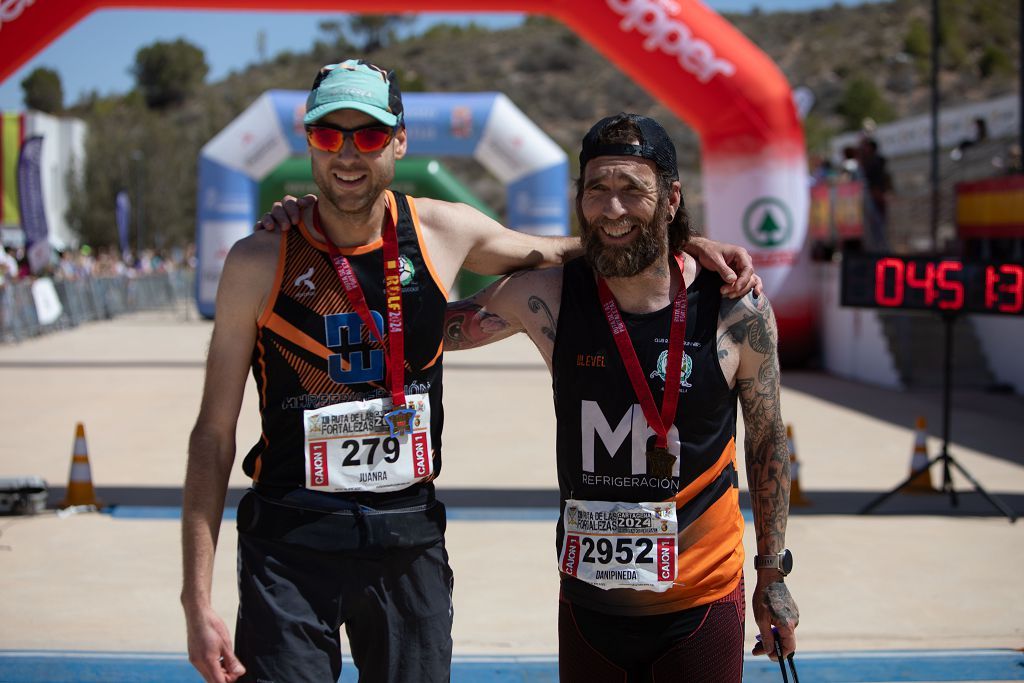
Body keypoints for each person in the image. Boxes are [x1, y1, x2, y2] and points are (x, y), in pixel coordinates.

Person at [183, 60, 760, 683]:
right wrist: (196, 597)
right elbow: (212, 434)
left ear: (399, 141)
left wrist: (683, 240)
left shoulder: (442, 230)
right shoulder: (257, 259)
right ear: (308, 141)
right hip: (289, 539)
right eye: (329, 135)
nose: (348, 154)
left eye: (369, 135)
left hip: (405, 540)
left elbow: (579, 248)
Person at [441, 113, 799, 682]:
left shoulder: (735, 309)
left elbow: (768, 440)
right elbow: (425, 333)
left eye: (633, 190)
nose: (612, 210)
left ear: (671, 197)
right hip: (590, 605)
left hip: (701, 603)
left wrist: (772, 576)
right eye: (597, 191)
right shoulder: (549, 296)